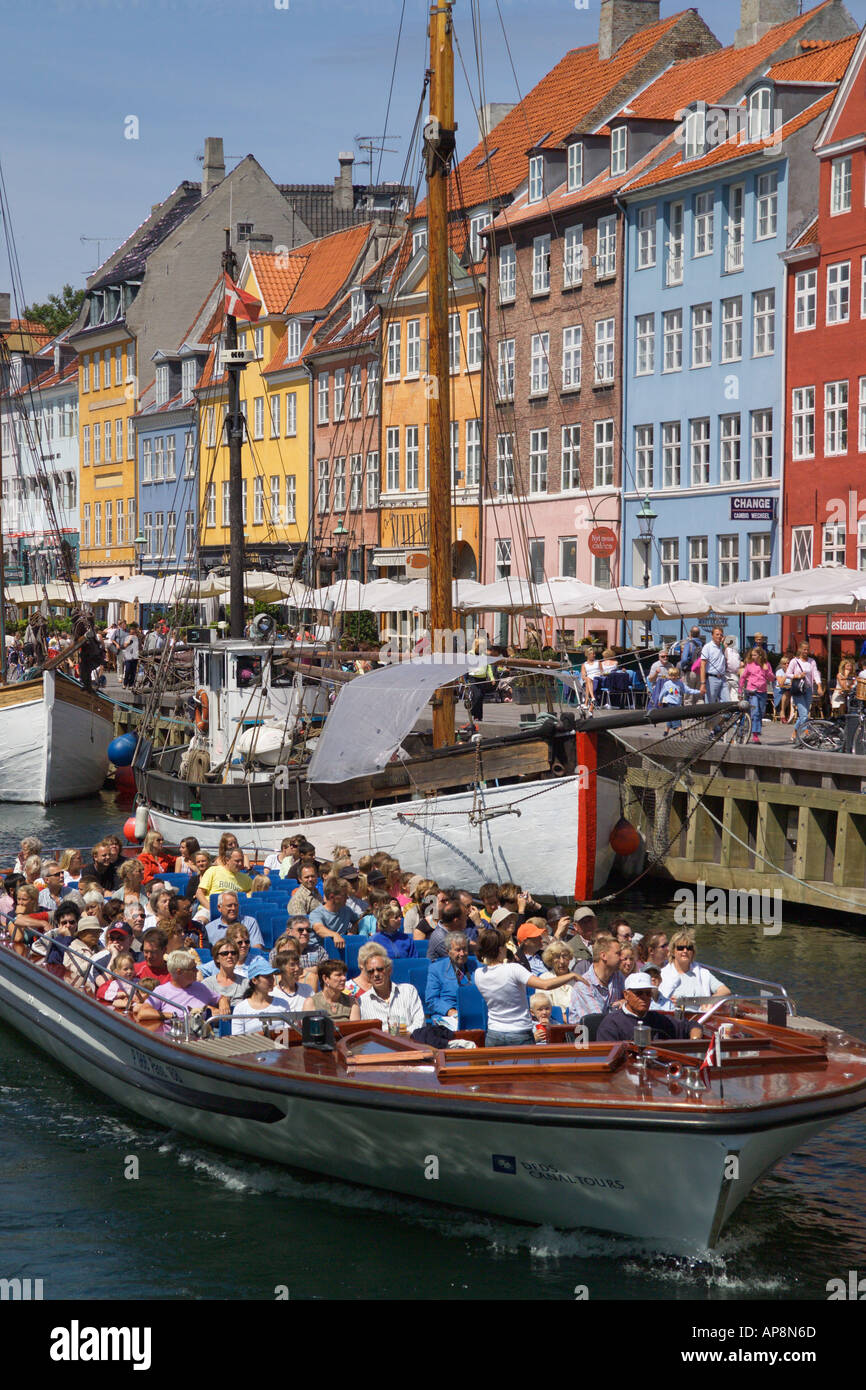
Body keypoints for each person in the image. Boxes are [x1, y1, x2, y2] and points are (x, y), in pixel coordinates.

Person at [473, 927, 581, 1048]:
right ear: (500, 949)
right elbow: (545, 985)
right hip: (519, 1033)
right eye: (504, 945)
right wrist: (571, 975)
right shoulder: (514, 969)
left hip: (494, 1033)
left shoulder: (478, 974)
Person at [596, 973, 705, 1043]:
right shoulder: (611, 1024)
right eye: (639, 993)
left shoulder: (659, 1019)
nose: (644, 997)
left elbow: (691, 1025)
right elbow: (607, 1057)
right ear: (626, 995)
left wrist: (695, 1040)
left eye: (648, 993)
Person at [658, 929, 731, 1006]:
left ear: (693, 952)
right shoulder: (662, 974)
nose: (685, 951)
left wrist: (708, 1002)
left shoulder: (702, 973)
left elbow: (725, 991)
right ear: (673, 951)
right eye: (680, 948)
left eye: (689, 948)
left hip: (700, 1016)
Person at [358, 952, 425, 1034]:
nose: (376, 974)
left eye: (380, 969)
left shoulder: (408, 991)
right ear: (367, 976)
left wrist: (399, 1034)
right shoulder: (362, 1001)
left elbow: (420, 1023)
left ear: (389, 970)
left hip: (409, 1042)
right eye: (371, 971)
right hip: (380, 1044)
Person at [147, 951, 220, 1025]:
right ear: (179, 972)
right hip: (172, 1034)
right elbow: (143, 1012)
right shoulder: (161, 991)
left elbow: (219, 998)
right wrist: (172, 1016)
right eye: (193, 969)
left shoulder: (200, 987)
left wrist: (223, 1002)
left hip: (200, 1034)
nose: (197, 971)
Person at [567, 933, 625, 1024]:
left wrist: (625, 1002)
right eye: (618, 954)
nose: (622, 958)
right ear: (603, 956)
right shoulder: (584, 984)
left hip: (612, 1032)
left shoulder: (618, 976)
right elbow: (597, 1021)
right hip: (586, 1036)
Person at [425, 931, 479, 1027]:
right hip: (448, 1015)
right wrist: (451, 1011)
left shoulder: (477, 966)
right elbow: (431, 999)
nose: (462, 953)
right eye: (458, 950)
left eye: (464, 949)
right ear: (448, 951)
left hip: (473, 1012)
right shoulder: (437, 969)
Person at [231, 961, 296, 1036]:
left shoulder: (283, 1004)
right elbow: (238, 1040)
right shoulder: (240, 1009)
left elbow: (289, 1035)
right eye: (267, 977)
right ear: (254, 980)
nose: (272, 980)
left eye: (272, 976)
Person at [194, 839, 253, 909]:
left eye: (241, 861)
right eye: (237, 861)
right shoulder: (213, 871)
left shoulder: (246, 879)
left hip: (233, 911)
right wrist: (211, 909)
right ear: (227, 860)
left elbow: (251, 895)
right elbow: (199, 893)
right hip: (209, 908)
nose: (240, 864)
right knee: (200, 919)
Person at [785, 642, 823, 741]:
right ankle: (807, 733)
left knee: (803, 714)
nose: (806, 651)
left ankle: (795, 732)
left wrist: (819, 686)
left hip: (808, 689)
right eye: (804, 649)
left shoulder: (812, 661)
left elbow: (815, 674)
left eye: (807, 649)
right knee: (804, 714)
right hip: (798, 689)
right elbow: (787, 674)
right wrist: (797, 676)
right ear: (800, 650)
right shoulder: (795, 661)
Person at [739, 645, 773, 743]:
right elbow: (743, 677)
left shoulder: (766, 664)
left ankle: (744, 728)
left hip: (762, 692)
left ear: (760, 655)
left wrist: (766, 670)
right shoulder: (750, 665)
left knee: (761, 712)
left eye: (755, 655)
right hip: (752, 691)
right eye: (752, 655)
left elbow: (771, 678)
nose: (753, 657)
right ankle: (755, 735)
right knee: (755, 713)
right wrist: (740, 690)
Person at [307, 876, 352, 948]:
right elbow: (319, 929)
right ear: (332, 897)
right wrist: (334, 935)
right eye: (344, 895)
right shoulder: (317, 913)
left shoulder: (346, 910)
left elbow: (358, 920)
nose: (347, 898)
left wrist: (352, 930)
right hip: (317, 949)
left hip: (338, 948)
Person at [207, 936, 248, 1011]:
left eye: (233, 953)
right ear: (217, 958)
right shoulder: (207, 984)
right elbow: (198, 1006)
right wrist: (211, 1008)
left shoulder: (246, 983)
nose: (230, 956)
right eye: (225, 953)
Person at [537, 942, 577, 1013]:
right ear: (551, 960)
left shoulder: (577, 979)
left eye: (565, 957)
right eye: (557, 957)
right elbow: (545, 1009)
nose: (562, 961)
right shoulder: (544, 979)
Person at [699, 626, 728, 705]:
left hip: (722, 678)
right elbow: (702, 666)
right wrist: (703, 683)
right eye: (717, 634)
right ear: (712, 635)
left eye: (721, 635)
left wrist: (723, 644)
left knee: (727, 703)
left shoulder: (722, 646)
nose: (719, 636)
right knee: (710, 704)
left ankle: (724, 717)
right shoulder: (707, 647)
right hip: (712, 679)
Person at [566, 907, 597, 971]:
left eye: (590, 921)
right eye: (583, 922)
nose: (588, 925)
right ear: (575, 926)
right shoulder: (570, 947)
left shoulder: (605, 941)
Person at [658, 665, 685, 733]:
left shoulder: (680, 683)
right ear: (669, 676)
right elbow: (662, 693)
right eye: (671, 675)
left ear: (677, 676)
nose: (673, 677)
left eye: (675, 675)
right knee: (676, 716)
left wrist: (682, 700)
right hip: (669, 702)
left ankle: (666, 730)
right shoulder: (667, 684)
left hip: (677, 702)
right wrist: (660, 700)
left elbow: (682, 691)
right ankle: (680, 729)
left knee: (670, 717)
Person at [119, 622, 140, 689]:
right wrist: (130, 641)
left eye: (133, 633)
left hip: (135, 656)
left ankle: (131, 684)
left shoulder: (137, 638)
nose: (132, 634)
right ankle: (125, 683)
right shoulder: (127, 637)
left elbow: (138, 647)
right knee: (127, 670)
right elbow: (124, 645)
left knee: (133, 671)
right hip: (128, 656)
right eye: (131, 633)